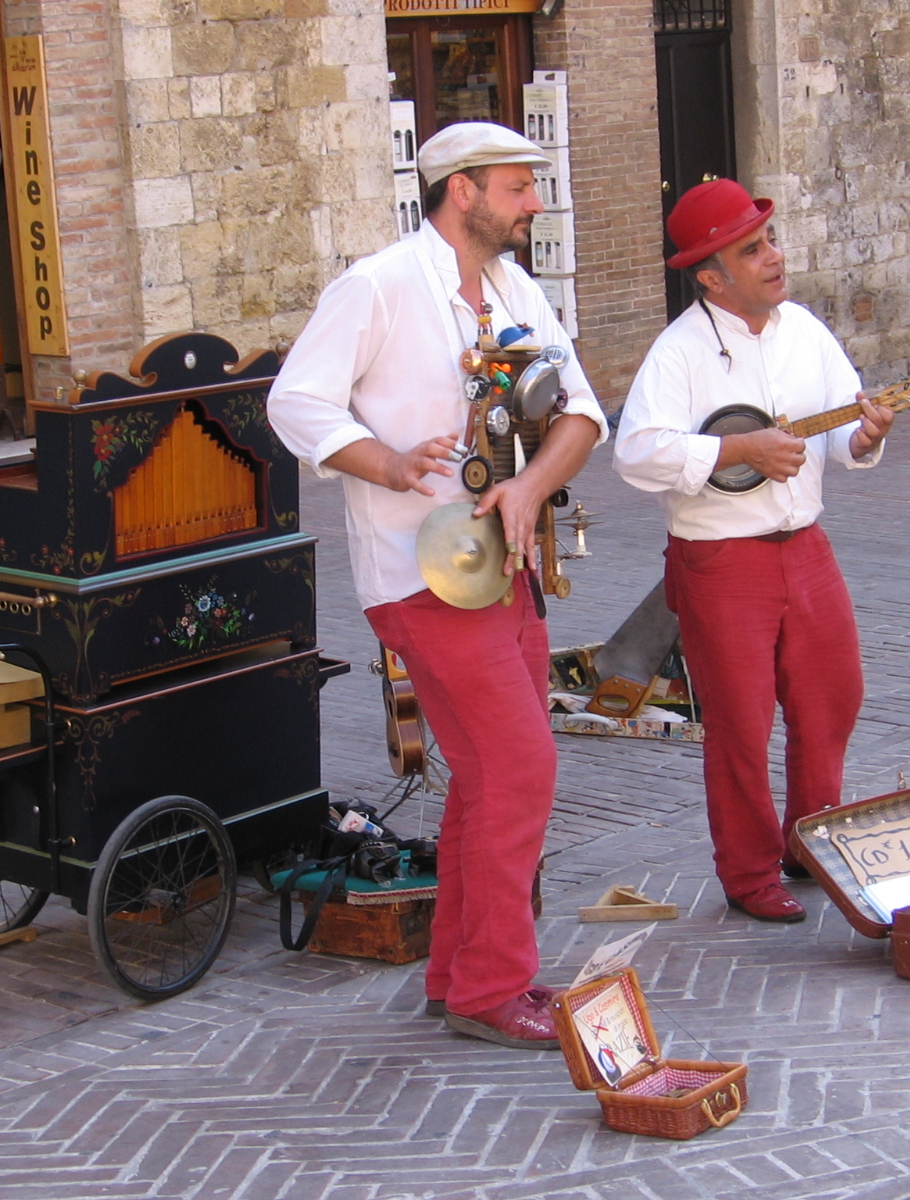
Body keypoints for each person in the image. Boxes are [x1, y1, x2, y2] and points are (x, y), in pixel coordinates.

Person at [269, 123, 605, 1048]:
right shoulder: (377, 285)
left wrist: (527, 489)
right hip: (419, 575)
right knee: (520, 768)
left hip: (505, 568)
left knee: (490, 777)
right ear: (462, 191)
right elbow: (294, 400)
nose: (533, 202)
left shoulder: (516, 288)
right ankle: (494, 988)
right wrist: (382, 462)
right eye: (517, 187)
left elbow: (582, 412)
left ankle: (459, 973)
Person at [612, 180, 894, 923]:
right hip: (721, 559)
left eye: (769, 241)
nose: (774, 257)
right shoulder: (678, 352)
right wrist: (736, 449)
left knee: (833, 696)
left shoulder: (804, 329)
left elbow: (843, 428)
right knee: (740, 723)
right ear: (712, 278)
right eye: (752, 251)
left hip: (806, 546)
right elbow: (634, 453)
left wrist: (864, 436)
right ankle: (748, 872)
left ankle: (811, 841)